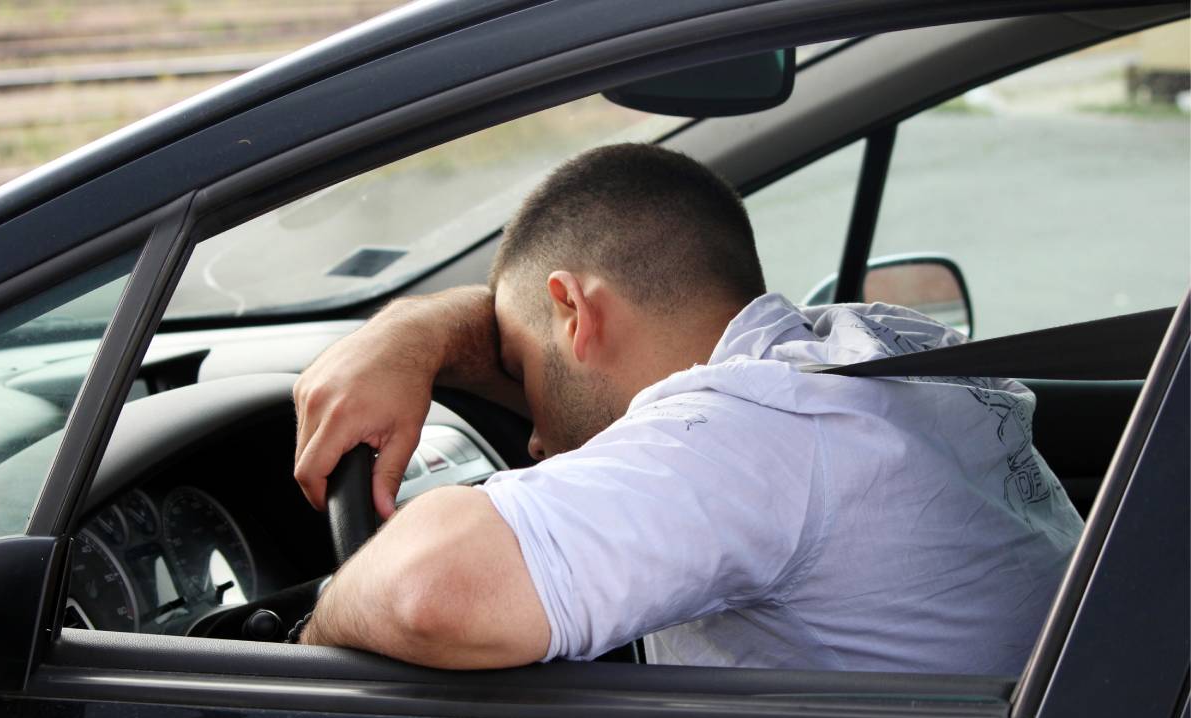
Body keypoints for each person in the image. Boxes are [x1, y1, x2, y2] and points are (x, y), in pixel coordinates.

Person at [292, 143, 1082, 672]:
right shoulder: (874, 347)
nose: (532, 438)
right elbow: (582, 386)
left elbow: (428, 592)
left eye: (522, 371)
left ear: (572, 310)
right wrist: (410, 331)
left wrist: (315, 633)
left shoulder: (757, 433)